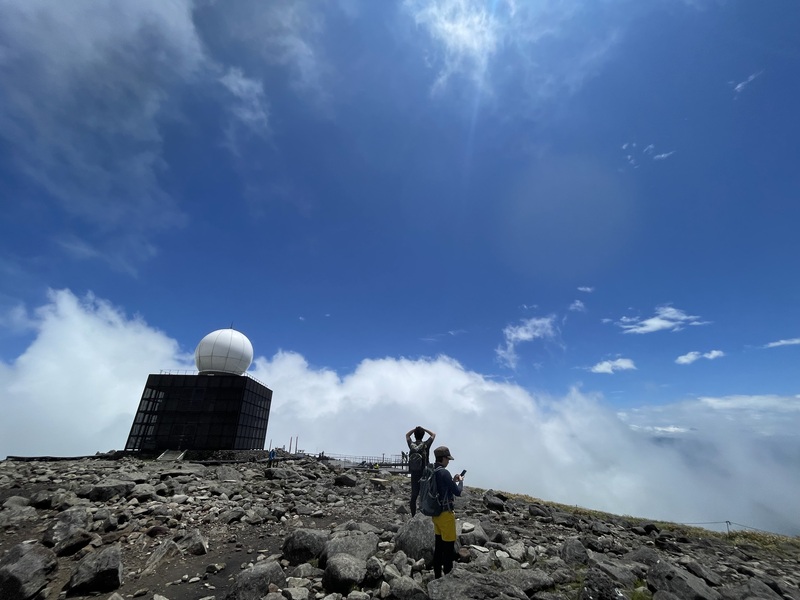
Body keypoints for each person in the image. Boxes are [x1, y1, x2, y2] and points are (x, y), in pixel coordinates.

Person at [431, 445, 463, 579]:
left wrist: (452, 481)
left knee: (438, 547)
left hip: (435, 514)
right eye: (447, 459)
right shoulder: (444, 472)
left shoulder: (432, 470)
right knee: (448, 549)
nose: (448, 461)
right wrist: (460, 482)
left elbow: (442, 486)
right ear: (443, 458)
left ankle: (437, 576)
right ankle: (447, 580)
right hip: (446, 515)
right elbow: (458, 492)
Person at [406, 425, 436, 517]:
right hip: (424, 473)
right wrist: (424, 429)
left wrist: (414, 429)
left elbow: (407, 435)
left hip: (414, 473)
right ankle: (425, 514)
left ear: (414, 435)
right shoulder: (426, 444)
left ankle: (413, 515)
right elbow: (433, 434)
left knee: (414, 495)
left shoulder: (412, 445)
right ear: (423, 435)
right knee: (424, 495)